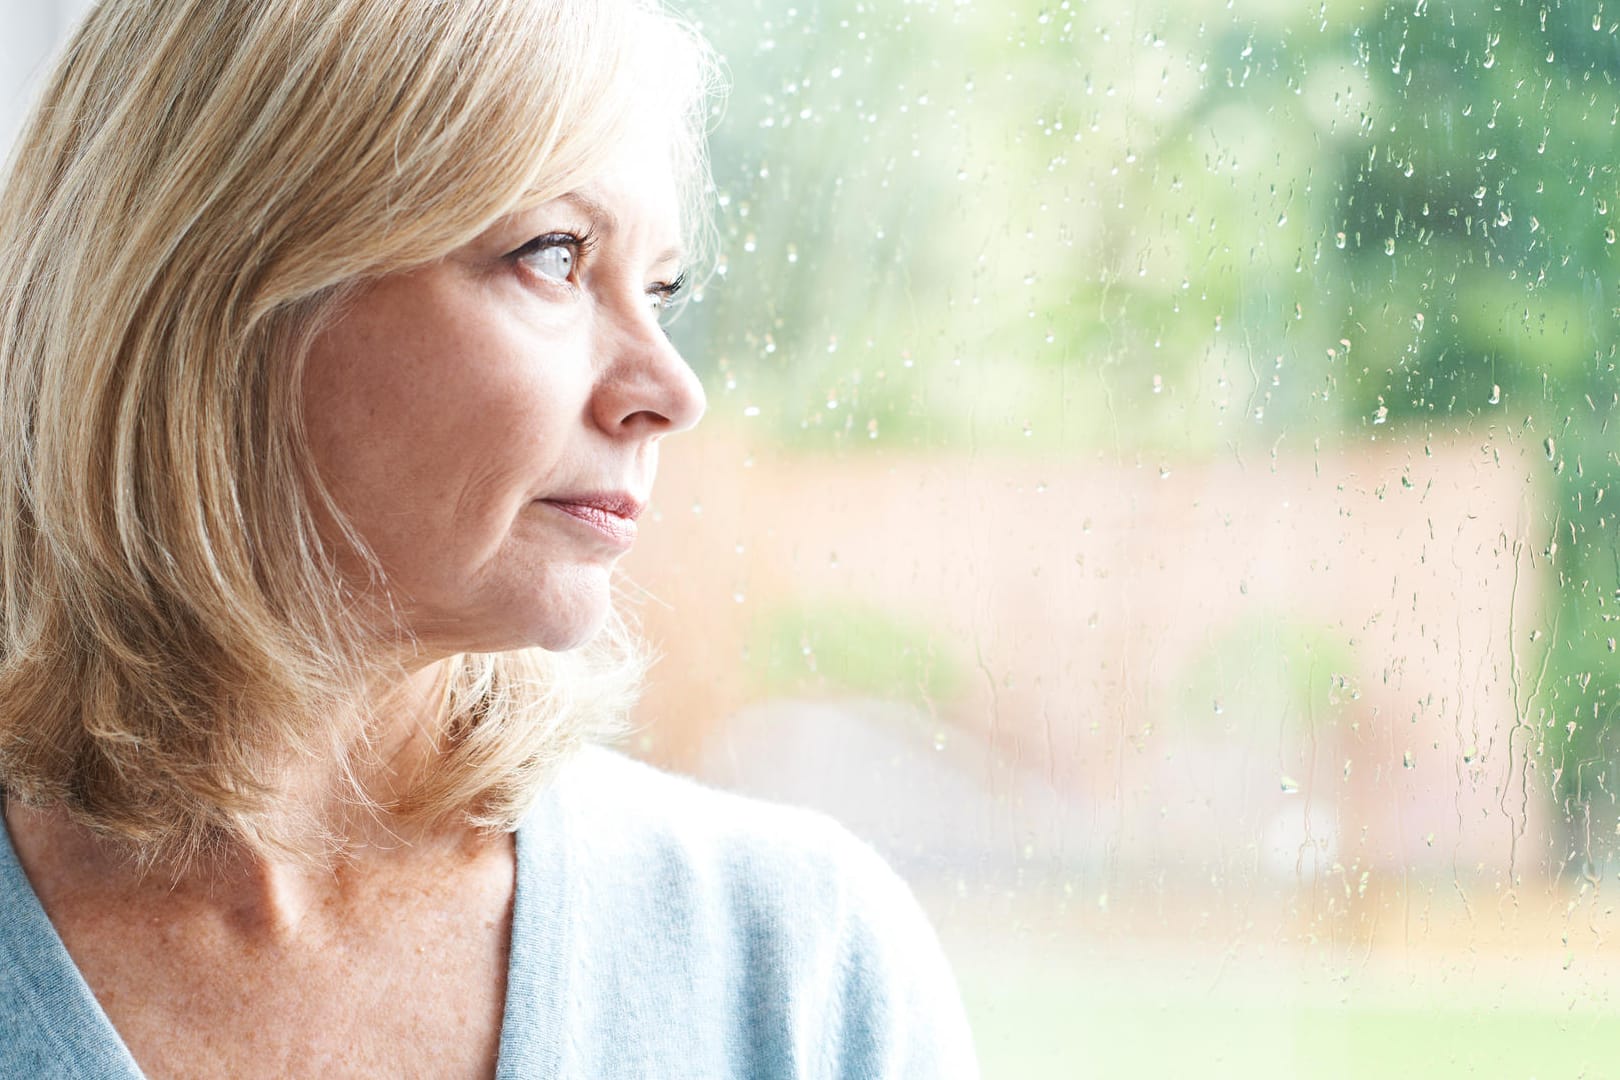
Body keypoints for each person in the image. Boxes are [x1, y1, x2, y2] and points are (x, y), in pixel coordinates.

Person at [0, 0, 980, 1076]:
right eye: (555, 257)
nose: (672, 391)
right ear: (217, 288)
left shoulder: (795, 968)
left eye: (661, 289)